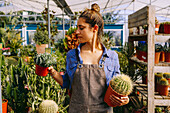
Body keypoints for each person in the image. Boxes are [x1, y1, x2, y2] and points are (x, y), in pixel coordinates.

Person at [48, 3, 129, 113]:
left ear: (95, 28)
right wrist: (52, 71)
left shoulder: (111, 57)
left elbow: (117, 88)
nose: (77, 32)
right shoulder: (72, 55)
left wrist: (125, 99)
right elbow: (66, 82)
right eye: (77, 28)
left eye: (81, 28)